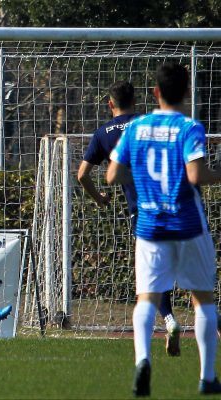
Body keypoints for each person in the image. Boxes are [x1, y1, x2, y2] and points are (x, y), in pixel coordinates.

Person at [107, 62, 221, 396]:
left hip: (150, 225)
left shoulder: (136, 127)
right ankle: (207, 377)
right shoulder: (189, 128)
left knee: (146, 297)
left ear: (155, 92)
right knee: (203, 299)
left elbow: (112, 175)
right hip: (187, 224)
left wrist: (143, 182)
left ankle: (143, 359)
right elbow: (196, 175)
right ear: (187, 92)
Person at [78, 81, 181, 357]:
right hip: (176, 206)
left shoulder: (103, 134)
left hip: (143, 212)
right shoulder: (148, 123)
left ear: (110, 104)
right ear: (135, 101)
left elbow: (82, 175)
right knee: (193, 279)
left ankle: (167, 325)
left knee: (150, 276)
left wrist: (99, 198)